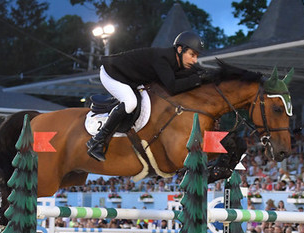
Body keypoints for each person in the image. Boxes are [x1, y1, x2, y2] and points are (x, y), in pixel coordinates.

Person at [86, 31, 213, 163]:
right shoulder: (162, 59)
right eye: (192, 55)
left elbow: (192, 73)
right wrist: (198, 78)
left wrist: (207, 75)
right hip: (112, 74)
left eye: (196, 56)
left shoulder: (176, 60)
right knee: (130, 103)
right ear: (180, 49)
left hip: (130, 79)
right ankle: (97, 140)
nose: (194, 60)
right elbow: (173, 87)